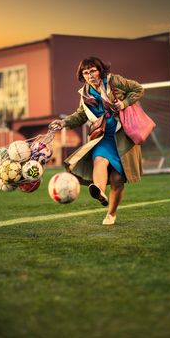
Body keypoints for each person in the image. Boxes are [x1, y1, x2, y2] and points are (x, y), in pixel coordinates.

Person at [49, 56, 144, 225]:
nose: (90, 75)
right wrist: (63, 122)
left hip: (122, 137)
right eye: (86, 72)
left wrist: (124, 103)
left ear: (100, 70)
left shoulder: (114, 81)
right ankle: (98, 190)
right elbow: (81, 115)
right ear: (82, 76)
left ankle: (111, 214)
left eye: (92, 70)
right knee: (99, 159)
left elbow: (138, 89)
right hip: (101, 137)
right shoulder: (85, 93)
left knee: (117, 180)